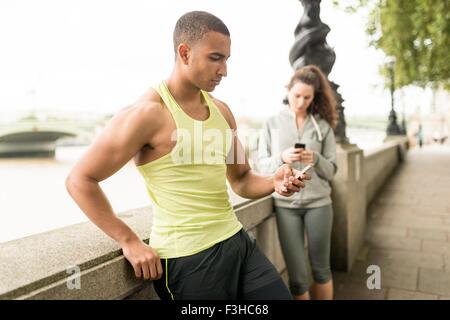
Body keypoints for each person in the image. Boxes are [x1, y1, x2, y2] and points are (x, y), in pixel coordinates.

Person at [65, 11, 310, 300]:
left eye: (227, 60)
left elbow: (242, 180)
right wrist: (128, 239)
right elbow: (79, 179)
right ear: (184, 53)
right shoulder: (147, 114)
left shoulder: (222, 111)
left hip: (237, 242)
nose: (224, 71)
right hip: (189, 260)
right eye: (215, 58)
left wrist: (275, 180)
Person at [257, 65, 338, 300]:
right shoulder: (272, 123)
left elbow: (332, 170)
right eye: (297, 96)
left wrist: (316, 158)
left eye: (307, 97)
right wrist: (282, 157)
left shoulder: (322, 126)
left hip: (319, 204)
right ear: (288, 90)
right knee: (298, 277)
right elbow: (261, 165)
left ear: (314, 97)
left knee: (322, 270)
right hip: (285, 206)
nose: (301, 102)